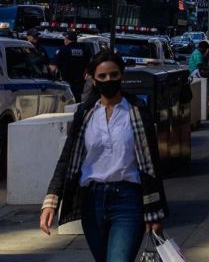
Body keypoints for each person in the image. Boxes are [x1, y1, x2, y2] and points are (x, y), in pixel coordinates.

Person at [40, 51, 169, 262]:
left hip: (128, 200)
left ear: (122, 75)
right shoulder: (85, 113)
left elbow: (151, 165)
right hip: (92, 201)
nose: (109, 80)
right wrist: (51, 202)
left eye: (113, 74)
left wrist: (155, 211)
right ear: (93, 78)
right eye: (102, 76)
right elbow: (67, 158)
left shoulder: (136, 111)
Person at [54, 31, 89, 102]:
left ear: (67, 39)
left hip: (65, 82)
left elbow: (53, 65)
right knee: (78, 100)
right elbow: (87, 66)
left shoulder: (63, 49)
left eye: (65, 38)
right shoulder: (83, 50)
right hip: (79, 82)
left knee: (66, 102)